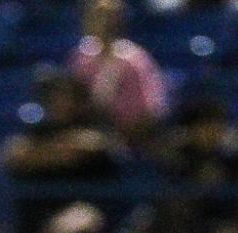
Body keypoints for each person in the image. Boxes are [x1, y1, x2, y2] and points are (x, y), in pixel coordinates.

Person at [67, 0, 167, 145]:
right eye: (98, 16)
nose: (104, 23)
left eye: (110, 17)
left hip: (129, 139)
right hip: (88, 134)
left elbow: (152, 111)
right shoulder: (81, 58)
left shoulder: (135, 59)